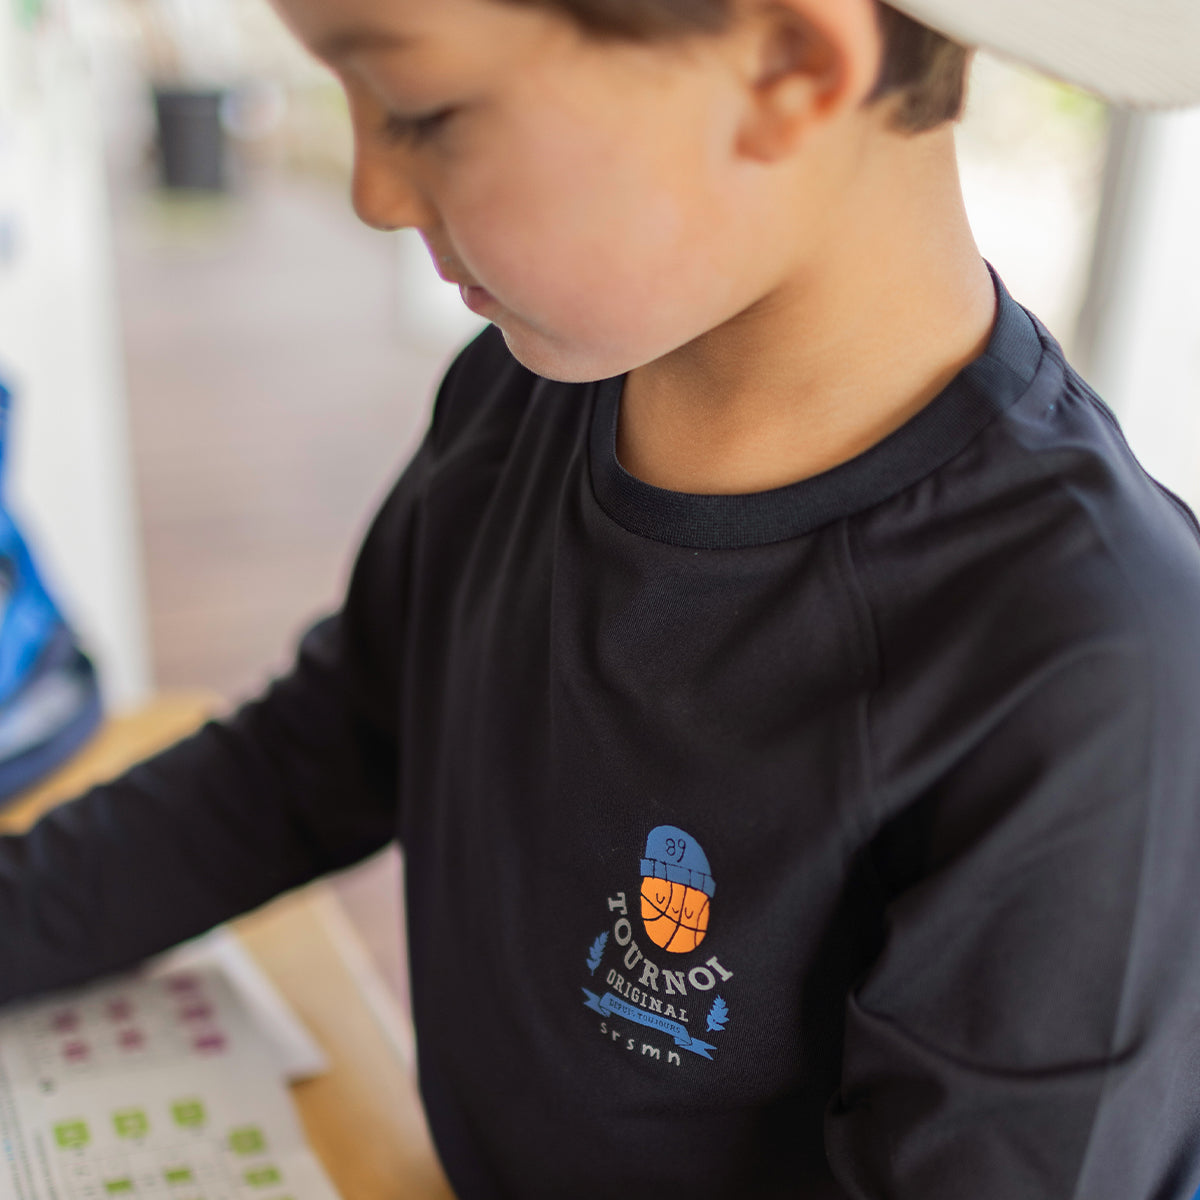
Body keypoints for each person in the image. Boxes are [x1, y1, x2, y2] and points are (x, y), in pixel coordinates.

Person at [4, 0, 1200, 1194]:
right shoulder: (513, 405)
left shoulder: (1089, 667)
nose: (372, 191)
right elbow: (308, 762)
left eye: (422, 109)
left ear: (787, 65)